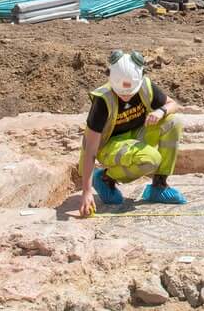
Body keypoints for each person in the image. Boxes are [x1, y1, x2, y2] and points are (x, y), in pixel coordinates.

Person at [77, 50, 185, 218]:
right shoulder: (103, 101)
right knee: (151, 159)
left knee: (173, 122)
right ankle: (106, 178)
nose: (126, 96)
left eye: (130, 92)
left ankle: (159, 186)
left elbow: (172, 104)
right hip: (108, 147)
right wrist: (86, 191)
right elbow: (91, 149)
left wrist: (160, 112)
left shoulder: (144, 86)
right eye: (121, 93)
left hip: (135, 136)